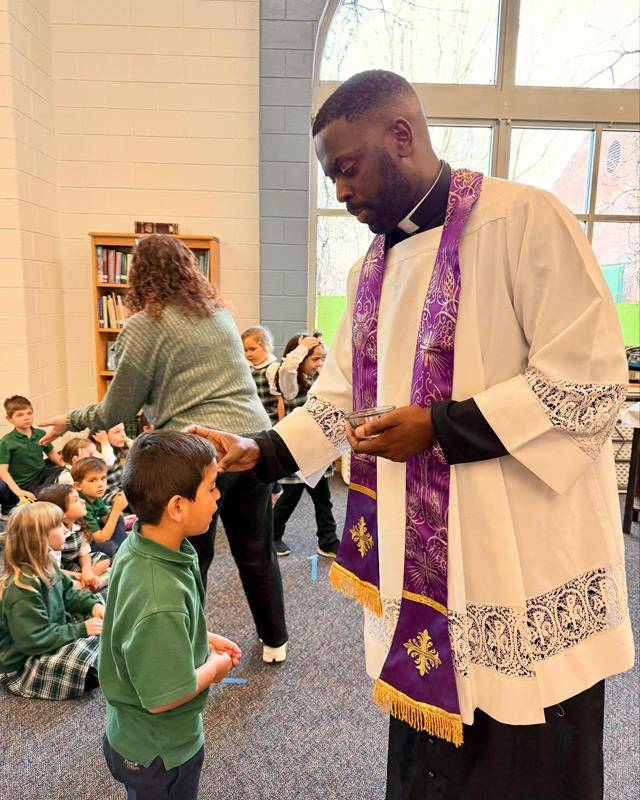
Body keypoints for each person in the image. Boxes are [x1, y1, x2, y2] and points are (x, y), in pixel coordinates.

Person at [188, 71, 634, 800]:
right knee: (428, 755)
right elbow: (340, 401)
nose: (340, 190)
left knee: (523, 757)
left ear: (401, 136)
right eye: (332, 177)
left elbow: (587, 382)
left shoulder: (523, 220)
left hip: (516, 552)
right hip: (421, 560)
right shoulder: (373, 267)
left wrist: (439, 426)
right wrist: (260, 452)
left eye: (347, 168)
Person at [39, 234, 288, 663]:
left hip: (194, 453)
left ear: (139, 276)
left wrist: (71, 419)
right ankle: (275, 642)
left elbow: (118, 407)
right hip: (249, 444)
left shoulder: (145, 324)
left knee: (190, 556)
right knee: (256, 550)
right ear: (190, 269)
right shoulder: (218, 313)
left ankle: (188, 648)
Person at [100, 430, 241, 800]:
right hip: (160, 754)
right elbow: (163, 696)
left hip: (132, 735)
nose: (218, 496)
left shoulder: (142, 543)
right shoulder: (159, 596)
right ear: (177, 507)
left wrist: (199, 638)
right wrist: (214, 668)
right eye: (212, 487)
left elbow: (139, 630)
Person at [0, 502, 104, 699]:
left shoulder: (46, 563)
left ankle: (96, 654)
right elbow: (33, 640)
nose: (65, 529)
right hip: (23, 661)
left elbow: (68, 593)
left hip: (50, 631)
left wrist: (93, 605)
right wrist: (81, 629)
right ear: (39, 537)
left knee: (99, 600)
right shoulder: (23, 588)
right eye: (58, 525)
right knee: (79, 662)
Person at [272, 332, 340, 558]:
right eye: (314, 359)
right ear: (300, 358)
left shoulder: (318, 380)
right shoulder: (290, 383)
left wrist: (322, 355)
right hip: (297, 452)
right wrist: (301, 349)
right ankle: (272, 536)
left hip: (317, 452)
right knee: (289, 498)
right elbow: (287, 369)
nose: (319, 363)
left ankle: (328, 541)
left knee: (323, 499)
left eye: (321, 358)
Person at [38, 483, 111, 591]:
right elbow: (54, 570)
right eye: (76, 500)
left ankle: (87, 584)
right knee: (64, 582)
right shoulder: (55, 535)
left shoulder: (78, 525)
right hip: (60, 571)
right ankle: (88, 586)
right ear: (61, 512)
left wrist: (87, 572)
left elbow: (84, 553)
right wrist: (79, 576)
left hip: (74, 565)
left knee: (104, 559)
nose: (83, 501)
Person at [241, 324, 284, 505]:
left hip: (270, 419)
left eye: (252, 349)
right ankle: (272, 488)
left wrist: (281, 424)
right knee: (258, 457)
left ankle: (275, 489)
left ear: (265, 345)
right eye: (245, 350)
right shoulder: (250, 368)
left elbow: (280, 399)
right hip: (255, 418)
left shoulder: (272, 368)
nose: (248, 354)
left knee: (268, 458)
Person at [0, 395, 64, 515]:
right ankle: (12, 507)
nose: (26, 418)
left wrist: (69, 468)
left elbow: (53, 455)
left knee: (63, 473)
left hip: (40, 476)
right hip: (21, 484)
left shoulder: (40, 434)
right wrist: (19, 491)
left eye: (29, 413)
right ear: (9, 419)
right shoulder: (6, 442)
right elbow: (3, 471)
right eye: (20, 415)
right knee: (40, 501)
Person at [71, 456, 128, 560]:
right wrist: (116, 510)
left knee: (118, 519)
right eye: (93, 480)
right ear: (78, 486)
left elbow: (106, 520)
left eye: (103, 478)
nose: (101, 484)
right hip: (81, 544)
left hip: (93, 534)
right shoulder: (82, 505)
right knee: (109, 547)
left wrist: (116, 510)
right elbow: (100, 539)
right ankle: (120, 550)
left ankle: (120, 548)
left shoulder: (95, 497)